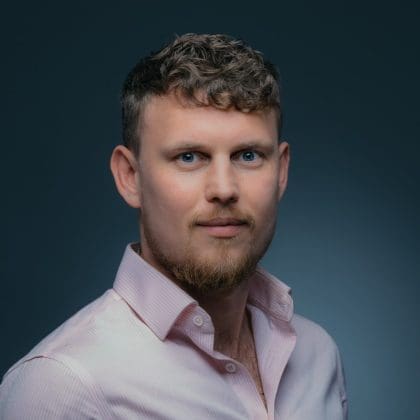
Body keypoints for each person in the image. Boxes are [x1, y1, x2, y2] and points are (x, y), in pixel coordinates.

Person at [0, 33, 348, 419]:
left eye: (248, 155)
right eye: (189, 157)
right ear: (130, 176)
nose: (224, 189)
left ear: (281, 171)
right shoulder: (63, 386)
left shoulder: (318, 356)